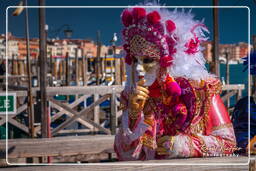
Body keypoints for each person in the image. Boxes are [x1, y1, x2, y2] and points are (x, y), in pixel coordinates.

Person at [114, 5, 237, 161]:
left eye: (148, 60)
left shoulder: (202, 91)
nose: (139, 68)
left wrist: (181, 145)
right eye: (136, 60)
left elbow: (228, 144)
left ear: (170, 61)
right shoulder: (134, 96)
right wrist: (133, 115)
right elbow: (123, 154)